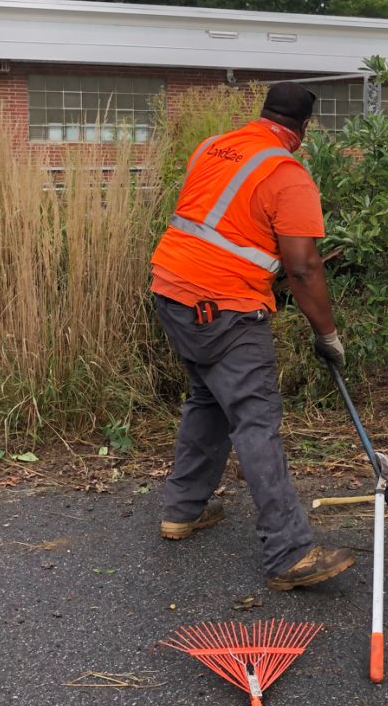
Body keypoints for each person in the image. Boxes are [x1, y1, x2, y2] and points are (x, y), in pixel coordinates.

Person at [149, 82, 354, 592]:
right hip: (224, 308)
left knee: (206, 398)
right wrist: (327, 335)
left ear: (263, 113)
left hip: (171, 291)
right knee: (255, 420)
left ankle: (183, 510)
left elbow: (223, 227)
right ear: (302, 130)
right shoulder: (289, 174)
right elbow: (304, 268)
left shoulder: (215, 146)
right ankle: (290, 553)